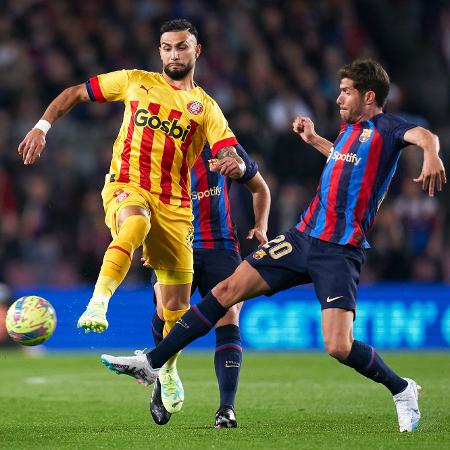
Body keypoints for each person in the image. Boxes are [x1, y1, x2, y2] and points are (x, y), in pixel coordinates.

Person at [101, 59, 447, 432]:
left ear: (369, 95)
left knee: (338, 346)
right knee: (226, 291)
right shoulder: (350, 131)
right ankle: (153, 363)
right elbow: (344, 161)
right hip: (301, 238)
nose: (338, 99)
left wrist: (431, 155)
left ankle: (401, 388)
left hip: (339, 250)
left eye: (345, 91)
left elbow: (426, 136)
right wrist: (315, 140)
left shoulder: (387, 127)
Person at [17, 19, 246, 414]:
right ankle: (98, 302)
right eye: (167, 47)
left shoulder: (206, 107)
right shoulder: (134, 81)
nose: (174, 54)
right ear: (160, 52)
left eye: (181, 47)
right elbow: (74, 93)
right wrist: (42, 126)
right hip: (127, 185)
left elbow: (228, 150)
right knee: (135, 223)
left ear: (197, 51)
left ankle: (166, 370)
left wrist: (231, 164)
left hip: (176, 207)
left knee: (174, 309)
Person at [148, 142, 270, 428]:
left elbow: (260, 188)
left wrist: (261, 225)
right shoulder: (155, 147)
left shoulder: (225, 147)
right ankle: (165, 373)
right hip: (174, 243)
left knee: (230, 314)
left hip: (221, 246)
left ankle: (226, 408)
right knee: (168, 311)